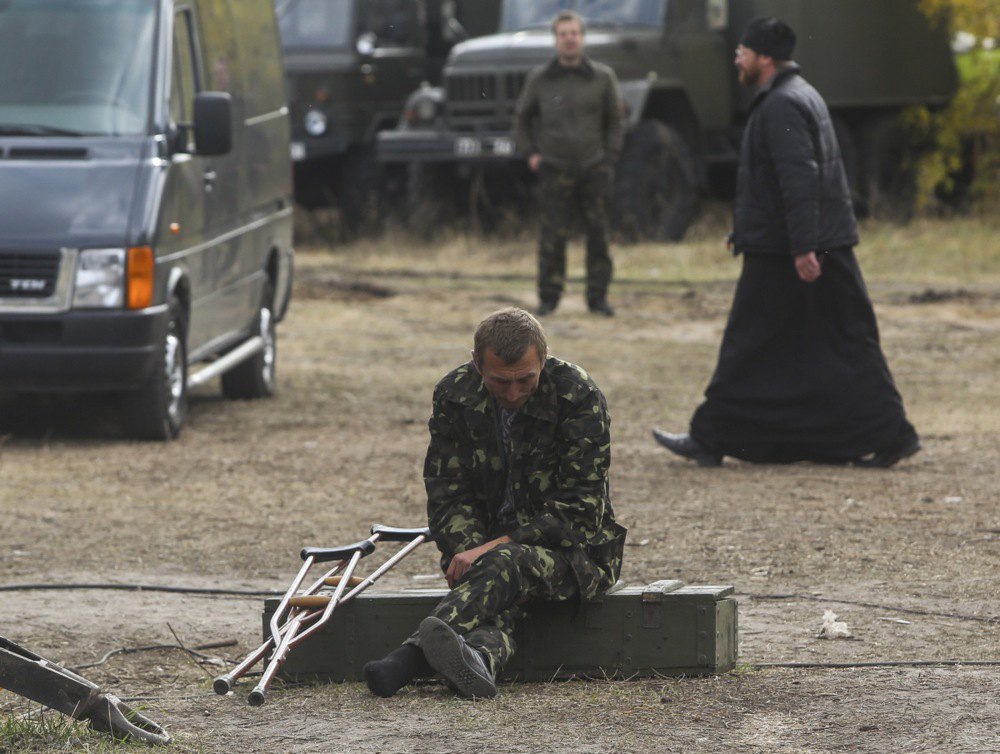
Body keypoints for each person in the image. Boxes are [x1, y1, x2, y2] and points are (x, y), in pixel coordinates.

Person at [652, 17, 920, 469]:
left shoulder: (782, 105)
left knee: (754, 345)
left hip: (793, 252)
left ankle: (710, 437)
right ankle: (881, 434)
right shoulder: (799, 95)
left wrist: (802, 248)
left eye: (743, 51)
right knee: (833, 342)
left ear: (765, 58)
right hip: (804, 244)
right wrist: (750, 232)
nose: (736, 58)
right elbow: (777, 184)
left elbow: (799, 181)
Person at [363, 307, 627, 698]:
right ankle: (480, 661)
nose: (514, 393)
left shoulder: (577, 395)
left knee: (507, 564)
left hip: (576, 558)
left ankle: (410, 656)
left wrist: (492, 549)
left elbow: (580, 514)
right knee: (499, 584)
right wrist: (469, 549)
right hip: (480, 554)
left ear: (544, 357)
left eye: (526, 379)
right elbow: (447, 492)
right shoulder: (454, 394)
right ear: (476, 365)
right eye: (500, 382)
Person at [514, 10, 624, 317]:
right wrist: (530, 153)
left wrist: (610, 158)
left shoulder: (602, 77)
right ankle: (549, 297)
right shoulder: (540, 79)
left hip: (594, 166)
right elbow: (522, 119)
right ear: (556, 39)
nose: (569, 39)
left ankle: (598, 297)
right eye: (563, 34)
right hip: (554, 168)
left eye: (574, 33)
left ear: (582, 37)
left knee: (599, 234)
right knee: (552, 237)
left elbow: (615, 121)